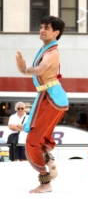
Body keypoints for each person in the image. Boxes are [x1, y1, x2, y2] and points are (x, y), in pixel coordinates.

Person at [15, 15, 69, 193]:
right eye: (41, 26)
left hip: (52, 98)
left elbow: (40, 69)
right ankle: (49, 159)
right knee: (39, 137)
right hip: (49, 97)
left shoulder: (52, 53)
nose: (42, 29)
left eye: (46, 27)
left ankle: (45, 182)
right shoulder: (46, 48)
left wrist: (23, 70)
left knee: (32, 140)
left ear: (56, 32)